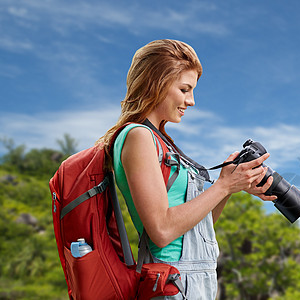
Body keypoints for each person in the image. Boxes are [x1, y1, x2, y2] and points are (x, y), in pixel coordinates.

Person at [97, 39, 276, 299]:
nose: (191, 101)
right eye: (184, 89)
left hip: (194, 279)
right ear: (156, 83)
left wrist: (229, 187)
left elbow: (198, 227)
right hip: (173, 281)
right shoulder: (138, 137)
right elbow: (161, 231)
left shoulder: (161, 140)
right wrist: (223, 186)